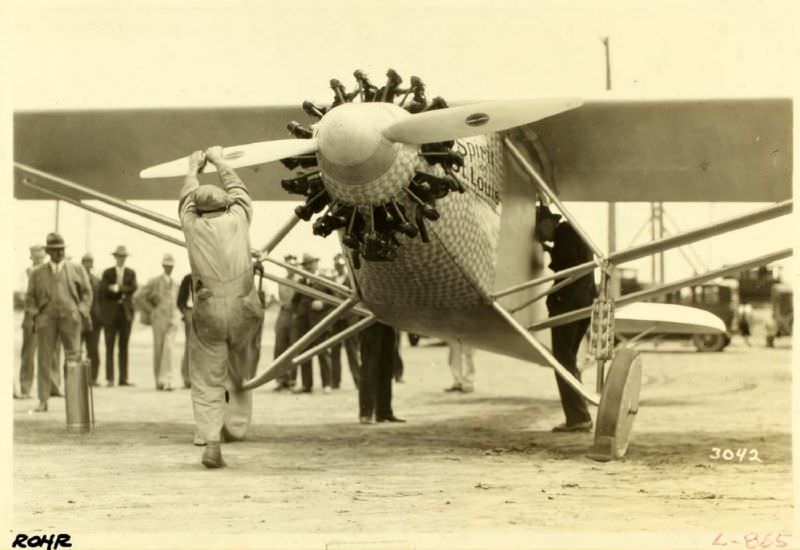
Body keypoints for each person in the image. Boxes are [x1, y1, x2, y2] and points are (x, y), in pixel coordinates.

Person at [180, 146, 265, 468]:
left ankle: (211, 441)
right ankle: (238, 426)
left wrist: (193, 167)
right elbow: (239, 191)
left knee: (205, 377)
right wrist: (219, 161)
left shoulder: (192, 225)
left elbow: (187, 198)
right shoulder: (239, 218)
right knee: (242, 370)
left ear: (200, 210)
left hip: (209, 307)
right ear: (225, 206)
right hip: (244, 305)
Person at [534, 204, 596, 433]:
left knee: (563, 361)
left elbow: (567, 262)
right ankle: (580, 415)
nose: (541, 236)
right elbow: (575, 260)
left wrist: (550, 252)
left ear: (548, 222)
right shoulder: (571, 233)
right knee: (568, 359)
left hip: (568, 303)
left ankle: (579, 418)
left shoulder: (565, 233)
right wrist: (550, 249)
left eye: (541, 230)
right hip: (585, 301)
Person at [25, 233, 93, 412]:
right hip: (46, 319)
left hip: (71, 318)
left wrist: (81, 310)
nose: (59, 253)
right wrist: (36, 315)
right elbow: (30, 297)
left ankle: (76, 401)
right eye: (55, 250)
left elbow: (87, 292)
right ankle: (42, 400)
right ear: (48, 252)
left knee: (74, 359)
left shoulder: (76, 269)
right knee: (44, 359)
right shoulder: (37, 273)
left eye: (62, 249)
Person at [17, 244, 62, 399]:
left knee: (54, 353)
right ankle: (25, 388)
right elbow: (23, 296)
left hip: (50, 317)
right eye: (36, 258)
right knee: (28, 354)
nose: (39, 260)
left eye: (41, 258)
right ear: (31, 258)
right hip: (32, 318)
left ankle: (54, 387)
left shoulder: (50, 273)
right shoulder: (26, 274)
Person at [290, 254, 333, 394]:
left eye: (310, 264)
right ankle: (306, 385)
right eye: (306, 265)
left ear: (316, 264)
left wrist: (323, 303)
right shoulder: (301, 282)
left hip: (320, 324)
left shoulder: (325, 280)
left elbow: (336, 299)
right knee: (304, 355)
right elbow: (294, 302)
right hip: (303, 325)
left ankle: (327, 384)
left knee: (323, 353)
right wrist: (296, 315)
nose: (308, 267)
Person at [99, 245, 137, 386]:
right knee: (109, 346)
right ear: (115, 257)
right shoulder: (107, 273)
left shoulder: (130, 273)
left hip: (125, 314)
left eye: (123, 257)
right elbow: (103, 289)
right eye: (119, 256)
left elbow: (133, 288)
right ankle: (110, 378)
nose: (121, 259)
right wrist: (120, 290)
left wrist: (117, 288)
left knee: (124, 346)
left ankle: (123, 378)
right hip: (111, 315)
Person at [140, 254, 179, 390]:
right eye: (167, 265)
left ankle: (168, 380)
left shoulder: (175, 284)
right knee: (159, 349)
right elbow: (139, 296)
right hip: (159, 319)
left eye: (171, 266)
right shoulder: (155, 282)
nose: (169, 268)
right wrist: (151, 310)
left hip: (173, 319)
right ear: (163, 266)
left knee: (169, 349)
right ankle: (159, 381)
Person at [359, 321, 404, 424]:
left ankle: (384, 413)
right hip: (370, 319)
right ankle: (366, 413)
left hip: (387, 320)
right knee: (370, 365)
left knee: (387, 364)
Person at [329, 253, 360, 389]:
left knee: (352, 351)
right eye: (337, 265)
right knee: (334, 351)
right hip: (336, 319)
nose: (339, 268)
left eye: (341, 265)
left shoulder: (352, 279)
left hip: (349, 319)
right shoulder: (332, 280)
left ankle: (358, 381)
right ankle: (335, 381)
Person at [273, 254, 299, 391]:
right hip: (283, 314)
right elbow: (281, 299)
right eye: (287, 266)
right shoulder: (281, 281)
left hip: (294, 315)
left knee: (293, 347)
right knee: (279, 347)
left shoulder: (299, 281)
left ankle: (292, 379)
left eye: (292, 266)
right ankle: (280, 379)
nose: (290, 269)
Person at [80, 253, 103, 386]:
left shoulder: (96, 281)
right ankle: (76, 378)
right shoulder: (75, 279)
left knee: (93, 350)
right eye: (86, 262)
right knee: (76, 350)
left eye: (90, 262)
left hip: (94, 321)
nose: (88, 264)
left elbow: (100, 300)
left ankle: (92, 378)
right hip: (79, 320)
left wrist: (100, 318)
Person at [176, 273, 193, 389]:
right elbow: (180, 300)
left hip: (204, 315)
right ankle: (187, 378)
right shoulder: (187, 278)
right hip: (190, 313)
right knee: (189, 346)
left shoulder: (207, 278)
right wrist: (185, 312)